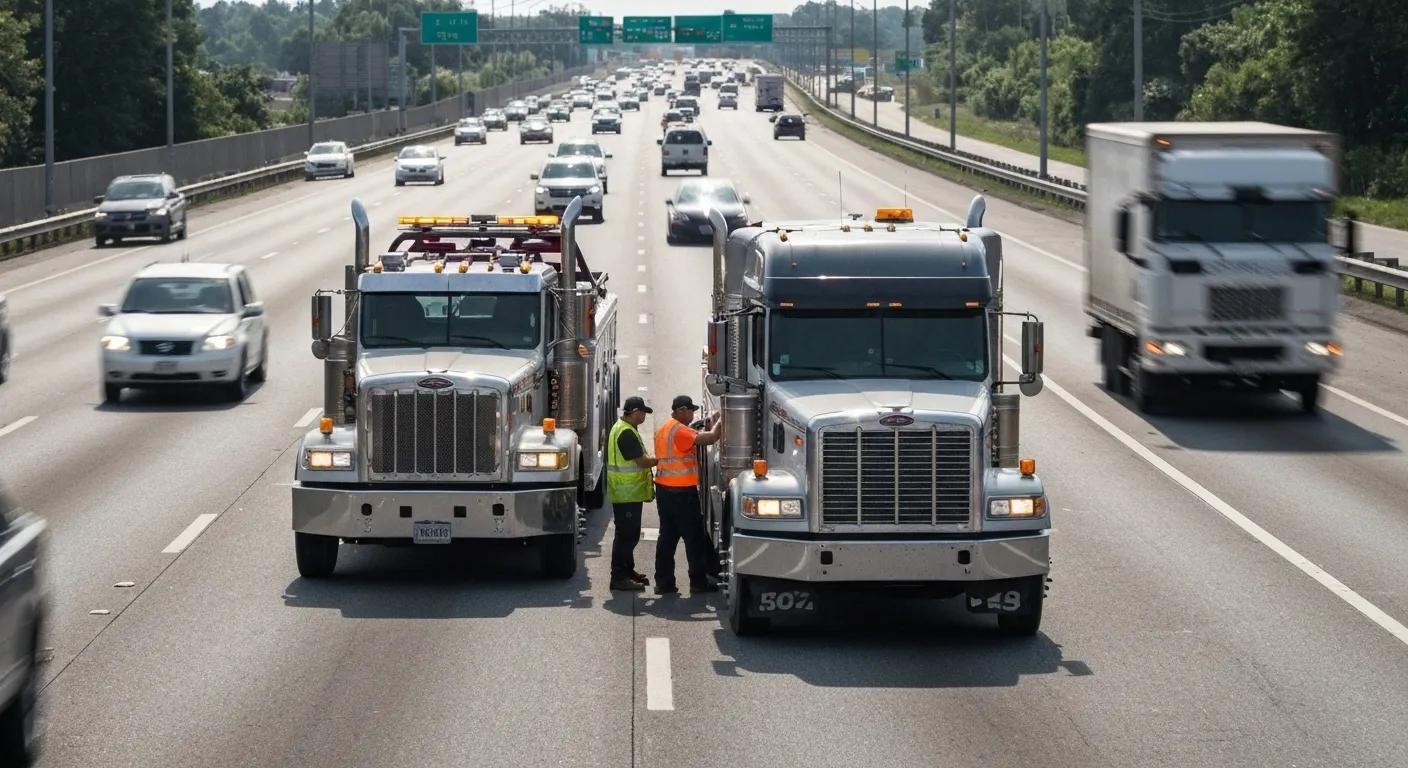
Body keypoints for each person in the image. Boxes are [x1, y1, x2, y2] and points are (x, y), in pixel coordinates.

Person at [653, 394, 723, 595]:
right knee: (694, 538)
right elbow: (711, 438)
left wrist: (711, 420)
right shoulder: (680, 430)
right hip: (682, 492)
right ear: (682, 410)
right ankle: (698, 582)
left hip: (664, 490)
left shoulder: (665, 428)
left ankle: (664, 583)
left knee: (667, 537)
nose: (693, 414)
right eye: (691, 410)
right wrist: (723, 420)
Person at [607, 397, 657, 592]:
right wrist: (658, 460)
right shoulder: (626, 433)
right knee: (626, 536)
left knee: (629, 534)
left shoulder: (622, 427)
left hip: (626, 493)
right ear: (635, 412)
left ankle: (628, 571)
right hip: (626, 493)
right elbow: (642, 462)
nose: (644, 416)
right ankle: (619, 577)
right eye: (643, 412)